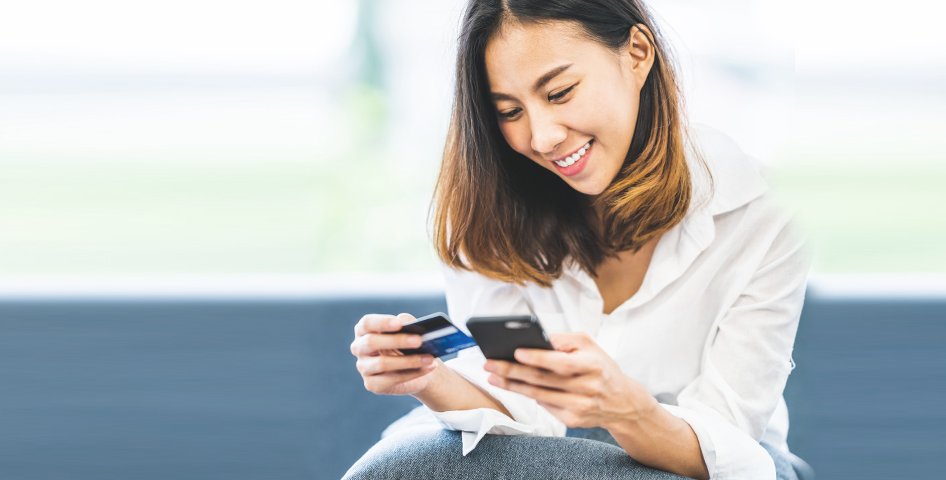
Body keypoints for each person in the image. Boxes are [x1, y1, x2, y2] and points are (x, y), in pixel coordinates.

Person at [344, 1, 816, 479]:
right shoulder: (487, 209)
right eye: (509, 111)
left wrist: (626, 410)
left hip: (705, 459)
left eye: (560, 92)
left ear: (636, 53)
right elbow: (520, 411)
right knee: (411, 458)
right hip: (538, 450)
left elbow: (728, 447)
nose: (542, 137)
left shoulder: (764, 212)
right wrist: (429, 378)